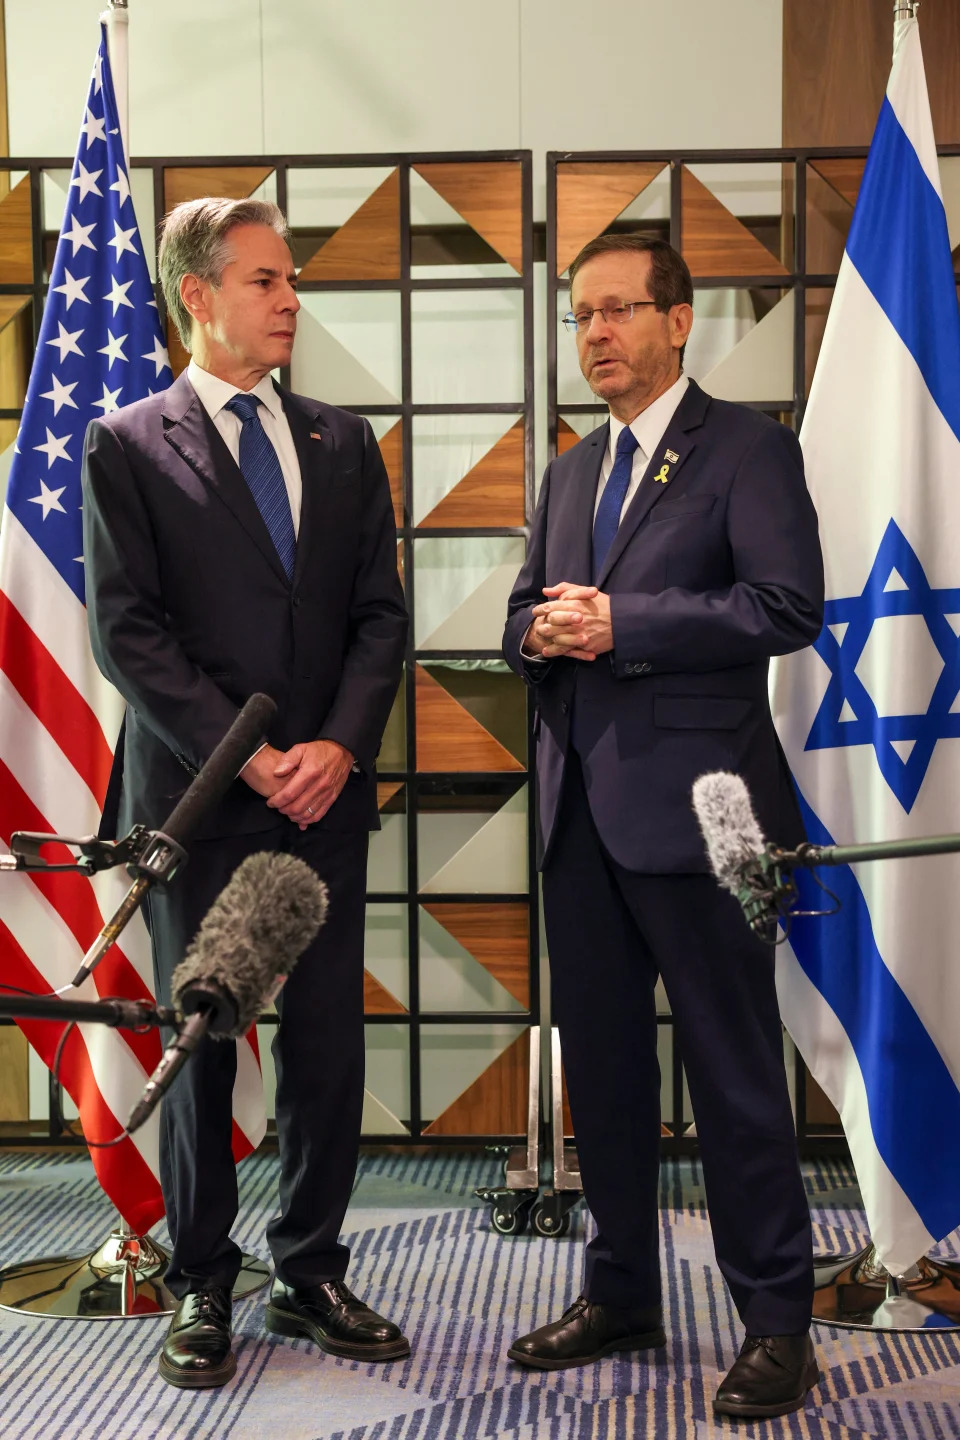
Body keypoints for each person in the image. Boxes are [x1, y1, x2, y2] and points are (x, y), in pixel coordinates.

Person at [82, 197, 409, 1389]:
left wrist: (336, 745)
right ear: (198, 297)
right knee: (203, 1046)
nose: (291, 301)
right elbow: (130, 636)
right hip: (201, 800)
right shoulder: (125, 444)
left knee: (325, 1044)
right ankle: (202, 1284)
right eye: (266, 281)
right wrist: (249, 754)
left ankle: (310, 1267)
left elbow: (380, 615)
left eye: (291, 280)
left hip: (324, 797)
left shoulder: (341, 438)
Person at [502, 234, 824, 1420]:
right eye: (581, 315)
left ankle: (777, 1322)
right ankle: (622, 1287)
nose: (595, 334)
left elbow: (786, 607)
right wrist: (538, 633)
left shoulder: (749, 449)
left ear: (679, 322)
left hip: (708, 818)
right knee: (606, 1074)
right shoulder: (571, 472)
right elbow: (523, 615)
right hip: (579, 818)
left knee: (736, 1071)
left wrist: (621, 622)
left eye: (620, 310)